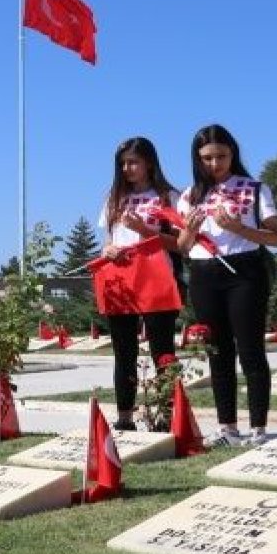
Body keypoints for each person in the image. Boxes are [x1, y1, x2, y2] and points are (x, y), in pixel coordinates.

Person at [177, 124, 277, 447]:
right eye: (207, 158)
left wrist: (238, 227)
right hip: (204, 273)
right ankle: (227, 427)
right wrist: (190, 231)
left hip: (245, 271)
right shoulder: (190, 195)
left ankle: (259, 428)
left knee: (251, 350)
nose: (214, 164)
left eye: (221, 156)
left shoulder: (254, 189)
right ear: (197, 160)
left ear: (232, 153)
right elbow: (182, 246)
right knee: (218, 352)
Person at [98, 137, 181, 431]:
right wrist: (107, 250)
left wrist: (144, 229)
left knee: (162, 349)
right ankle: (124, 417)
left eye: (133, 162)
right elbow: (110, 239)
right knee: (124, 352)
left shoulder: (168, 196)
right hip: (120, 278)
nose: (127, 168)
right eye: (122, 164)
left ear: (149, 162)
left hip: (156, 277)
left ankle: (165, 415)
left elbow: (182, 244)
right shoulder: (114, 196)